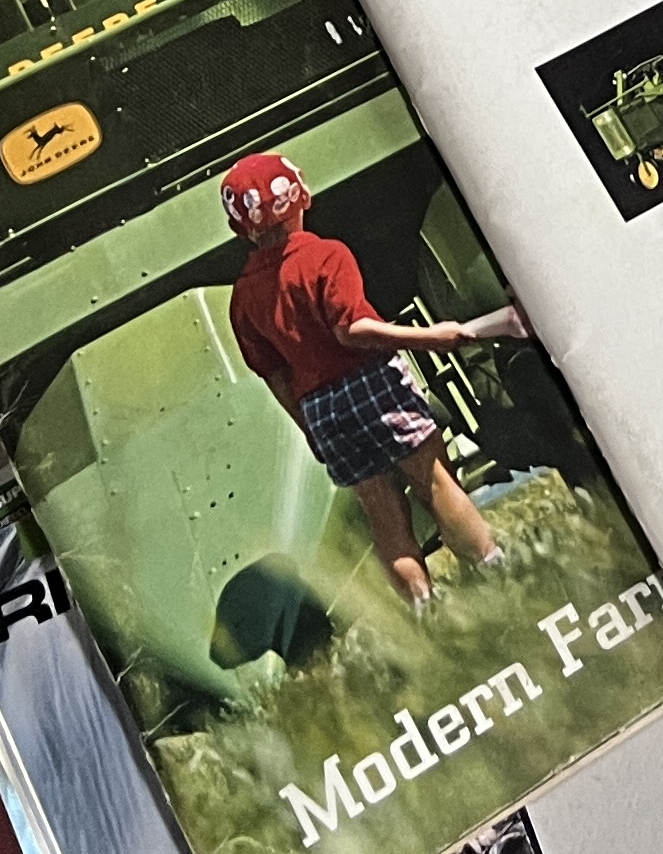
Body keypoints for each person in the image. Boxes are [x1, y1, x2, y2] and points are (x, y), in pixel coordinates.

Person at [223, 151, 529, 611]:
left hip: (321, 410)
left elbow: (276, 376)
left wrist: (310, 429)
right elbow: (352, 330)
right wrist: (434, 336)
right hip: (369, 381)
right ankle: (496, 570)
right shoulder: (326, 255)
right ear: (295, 199)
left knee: (382, 511)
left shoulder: (243, 297)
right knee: (433, 482)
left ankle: (425, 609)